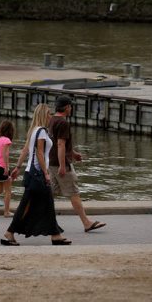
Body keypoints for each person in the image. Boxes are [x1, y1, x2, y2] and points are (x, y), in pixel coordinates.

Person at [0, 103, 71, 246]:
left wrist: (18, 167)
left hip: (30, 174)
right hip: (37, 175)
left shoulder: (33, 131)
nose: (51, 116)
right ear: (44, 115)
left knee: (35, 204)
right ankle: (11, 232)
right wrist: (46, 173)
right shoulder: (42, 132)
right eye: (49, 113)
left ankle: (55, 235)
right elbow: (39, 153)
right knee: (42, 204)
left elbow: (25, 151)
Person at [48, 94, 106, 233]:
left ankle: (41, 219)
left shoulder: (52, 120)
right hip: (60, 163)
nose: (71, 108)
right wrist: (63, 165)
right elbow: (60, 144)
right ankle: (86, 223)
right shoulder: (63, 123)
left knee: (49, 193)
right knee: (74, 193)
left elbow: (57, 143)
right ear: (67, 107)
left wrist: (73, 153)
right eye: (70, 106)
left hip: (51, 161)